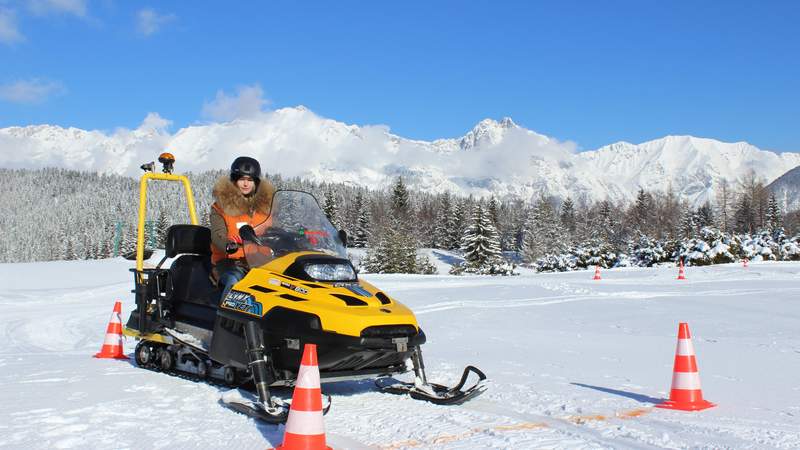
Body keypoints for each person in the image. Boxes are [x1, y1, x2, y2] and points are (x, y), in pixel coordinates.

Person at [210, 156, 274, 300]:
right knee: (235, 282)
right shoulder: (221, 207)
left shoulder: (265, 209)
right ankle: (225, 319)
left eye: (250, 180)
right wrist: (228, 244)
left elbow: (275, 230)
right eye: (242, 179)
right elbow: (217, 234)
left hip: (261, 262)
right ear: (234, 181)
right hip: (230, 262)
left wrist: (299, 236)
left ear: (256, 183)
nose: (245, 184)